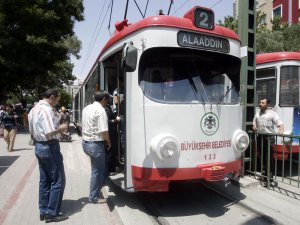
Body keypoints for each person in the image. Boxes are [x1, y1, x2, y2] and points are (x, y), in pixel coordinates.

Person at [28, 89, 69, 223]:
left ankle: (43, 211)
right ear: (52, 97)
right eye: (57, 99)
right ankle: (52, 214)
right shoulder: (45, 111)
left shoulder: (33, 109)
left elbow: (33, 130)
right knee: (58, 180)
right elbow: (49, 132)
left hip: (39, 146)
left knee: (44, 180)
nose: (57, 102)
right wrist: (62, 129)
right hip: (50, 146)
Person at [81, 90, 111, 203]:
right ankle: (93, 197)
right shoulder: (101, 110)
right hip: (95, 144)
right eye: (108, 100)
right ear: (103, 99)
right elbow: (103, 130)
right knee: (97, 171)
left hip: (86, 143)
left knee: (97, 170)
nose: (108, 102)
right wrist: (108, 141)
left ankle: (96, 191)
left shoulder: (87, 108)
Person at [253, 98, 284, 185]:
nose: (260, 104)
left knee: (269, 158)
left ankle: (269, 178)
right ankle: (263, 176)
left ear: (267, 105)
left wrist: (281, 130)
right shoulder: (257, 114)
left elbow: (280, 124)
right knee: (261, 157)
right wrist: (254, 126)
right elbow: (254, 123)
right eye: (260, 102)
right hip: (260, 137)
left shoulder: (272, 114)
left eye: (262, 103)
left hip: (269, 138)